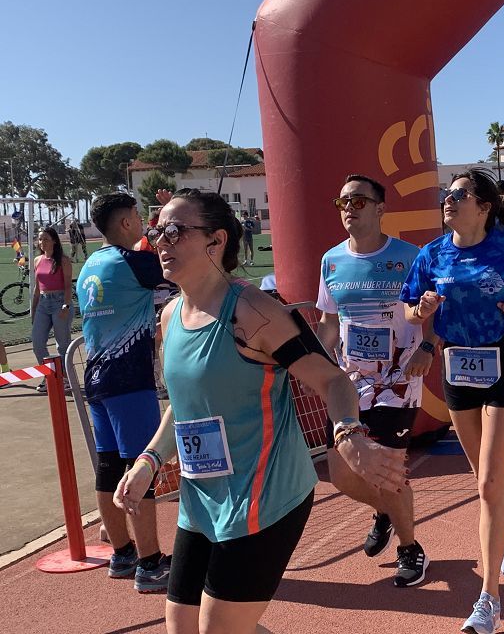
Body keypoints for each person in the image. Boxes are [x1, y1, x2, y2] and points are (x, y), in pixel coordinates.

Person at [115, 189, 405, 633]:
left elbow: (332, 379)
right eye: (156, 231)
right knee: (181, 626)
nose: (160, 241)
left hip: (265, 496)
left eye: (173, 231)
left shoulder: (253, 312)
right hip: (202, 498)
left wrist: (348, 434)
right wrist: (149, 461)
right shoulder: (171, 316)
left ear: (216, 241)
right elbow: (186, 404)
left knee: (218, 630)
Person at [401, 169, 504, 634]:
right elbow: (410, 310)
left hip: (503, 362)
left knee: (491, 481)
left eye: (459, 195)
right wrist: (421, 312)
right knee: (483, 479)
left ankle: (488, 600)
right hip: (456, 367)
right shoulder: (431, 254)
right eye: (446, 195)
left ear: (484, 206)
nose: (448, 200)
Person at [316, 174, 429, 587]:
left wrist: (428, 348)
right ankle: (384, 510)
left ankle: (410, 548)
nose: (349, 208)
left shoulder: (410, 256)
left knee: (388, 470)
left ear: (381, 209)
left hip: (399, 380)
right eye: (343, 202)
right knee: (342, 473)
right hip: (351, 383)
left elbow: (430, 309)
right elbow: (330, 323)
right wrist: (308, 360)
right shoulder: (331, 260)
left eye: (359, 201)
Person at [76, 193, 171, 592]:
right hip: (128, 380)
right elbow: (181, 267)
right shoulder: (133, 262)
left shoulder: (90, 265)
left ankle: (122, 553)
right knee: (140, 469)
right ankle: (149, 563)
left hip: (97, 379)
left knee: (109, 467)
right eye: (136, 215)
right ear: (127, 222)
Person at [31, 227, 73, 392]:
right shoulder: (37, 260)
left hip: (60, 302)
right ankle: (49, 375)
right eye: (40, 239)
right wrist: (33, 309)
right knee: (37, 342)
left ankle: (64, 378)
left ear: (54, 241)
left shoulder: (63, 260)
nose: (42, 242)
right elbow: (36, 288)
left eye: (46, 239)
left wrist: (66, 305)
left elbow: (68, 285)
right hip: (43, 303)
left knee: (62, 345)